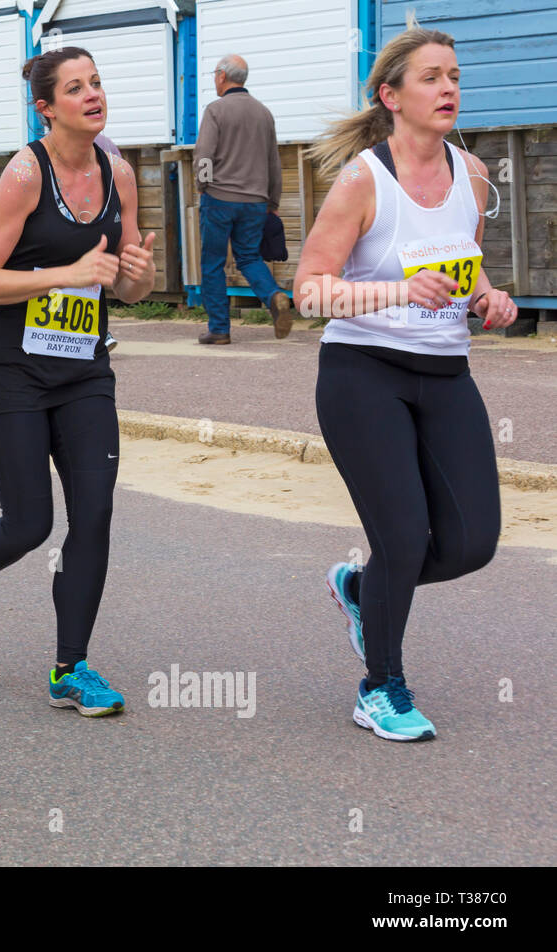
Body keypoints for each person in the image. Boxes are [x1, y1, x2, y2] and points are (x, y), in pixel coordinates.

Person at [0, 47, 155, 717]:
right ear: (45, 106)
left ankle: (70, 669)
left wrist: (134, 271)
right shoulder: (26, 173)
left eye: (97, 82)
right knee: (28, 522)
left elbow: (131, 289)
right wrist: (65, 275)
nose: (92, 94)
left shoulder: (120, 174)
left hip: (82, 371)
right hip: (11, 371)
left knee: (96, 511)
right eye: (75, 88)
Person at [295, 26, 516, 741]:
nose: (448, 88)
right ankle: (380, 688)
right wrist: (393, 292)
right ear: (392, 96)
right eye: (430, 78)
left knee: (472, 540)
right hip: (363, 373)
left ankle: (361, 592)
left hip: (446, 373)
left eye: (453, 75)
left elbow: (462, 261)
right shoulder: (365, 180)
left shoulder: (474, 174)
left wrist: (488, 296)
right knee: (400, 535)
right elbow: (308, 292)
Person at [193, 54, 294, 343]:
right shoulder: (264, 113)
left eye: (215, 74)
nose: (214, 78)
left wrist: (203, 185)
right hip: (256, 201)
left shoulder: (215, 110)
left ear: (222, 76)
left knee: (213, 262)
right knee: (249, 257)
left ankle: (219, 330)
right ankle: (274, 295)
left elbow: (204, 155)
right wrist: (272, 203)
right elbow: (273, 161)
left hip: (220, 198)